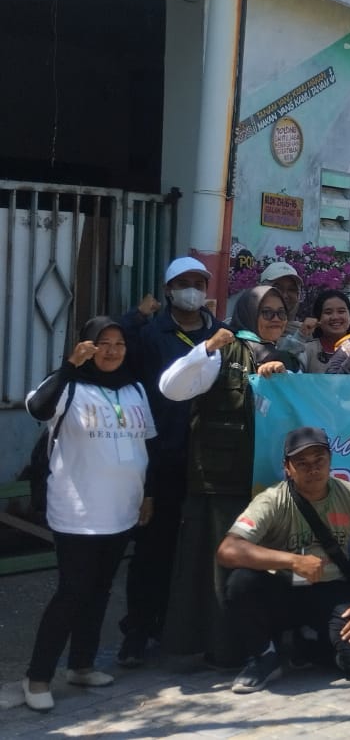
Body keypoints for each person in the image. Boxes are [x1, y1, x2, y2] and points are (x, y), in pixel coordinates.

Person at [157, 285, 301, 668]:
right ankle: (219, 649)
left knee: (266, 568)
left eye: (280, 312)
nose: (275, 319)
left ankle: (262, 644)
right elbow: (171, 388)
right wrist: (204, 349)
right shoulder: (224, 351)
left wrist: (283, 377)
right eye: (266, 311)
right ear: (248, 312)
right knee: (215, 569)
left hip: (271, 484)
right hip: (221, 483)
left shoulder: (288, 358)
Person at [22, 317, 156, 712]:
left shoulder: (134, 388)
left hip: (122, 508)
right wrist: (69, 367)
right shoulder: (70, 385)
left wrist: (147, 494)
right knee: (72, 592)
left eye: (119, 343)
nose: (111, 351)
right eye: (103, 343)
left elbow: (145, 444)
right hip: (78, 510)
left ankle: (81, 664)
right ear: (86, 345)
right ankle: (39, 675)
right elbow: (36, 407)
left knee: (99, 591)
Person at [216, 427, 350, 693]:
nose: (312, 469)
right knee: (240, 582)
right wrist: (292, 561)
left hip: (331, 590)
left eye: (319, 461)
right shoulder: (272, 500)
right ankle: (264, 656)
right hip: (281, 589)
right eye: (301, 463)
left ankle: (307, 647)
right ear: (287, 468)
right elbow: (227, 550)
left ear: (330, 461)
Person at [115, 256, 222, 667]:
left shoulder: (219, 333)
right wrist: (135, 316)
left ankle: (188, 626)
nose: (192, 288)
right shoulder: (149, 334)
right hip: (162, 458)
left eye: (199, 281)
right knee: (153, 549)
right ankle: (138, 629)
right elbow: (116, 355)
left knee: (200, 547)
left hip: (211, 459)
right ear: (168, 290)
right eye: (184, 282)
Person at [301, 290, 350, 374]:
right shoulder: (307, 350)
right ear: (318, 318)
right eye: (328, 312)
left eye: (341, 311)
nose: (335, 317)